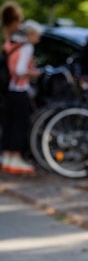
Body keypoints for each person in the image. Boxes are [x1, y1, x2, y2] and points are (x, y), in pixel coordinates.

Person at [1, 19, 42, 174]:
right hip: (19, 89)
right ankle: (16, 158)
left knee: (9, 125)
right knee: (19, 125)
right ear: (30, 34)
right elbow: (19, 70)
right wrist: (34, 73)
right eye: (37, 35)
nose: (38, 39)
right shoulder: (26, 47)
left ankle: (7, 157)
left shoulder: (13, 44)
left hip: (9, 91)